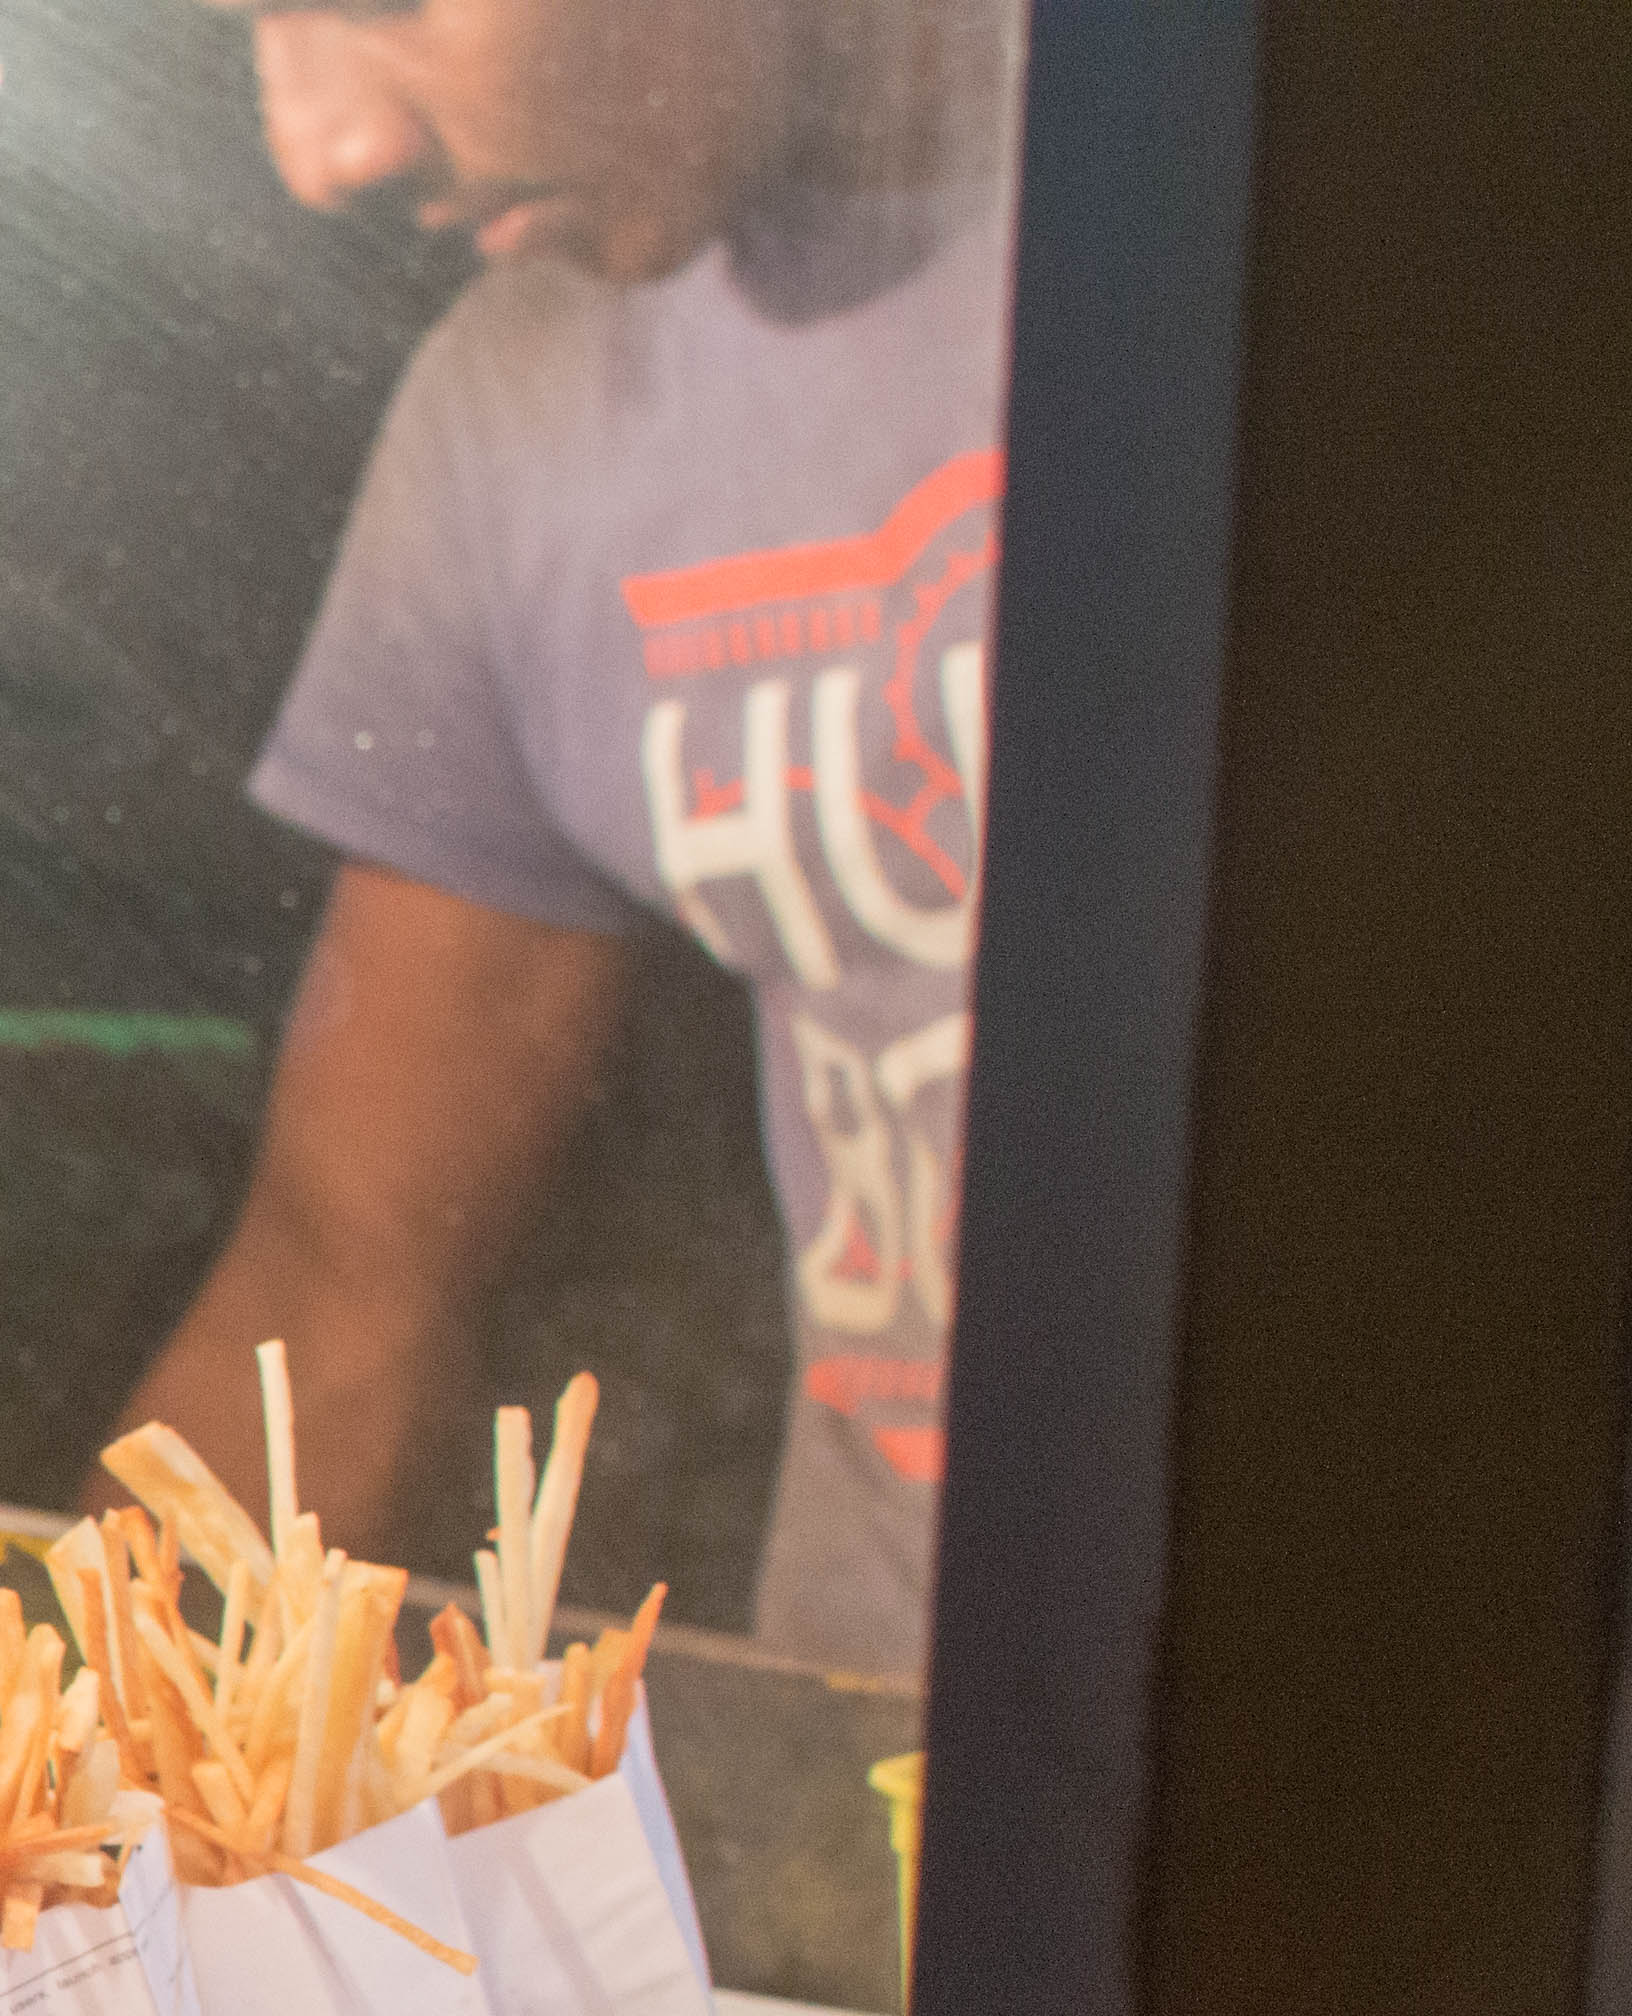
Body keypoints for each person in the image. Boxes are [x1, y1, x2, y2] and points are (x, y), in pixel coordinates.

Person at [101, 0, 1013, 1672]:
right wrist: (15, 1766)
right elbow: (343, 1278)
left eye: (376, 1)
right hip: (881, 1753)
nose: (323, 149)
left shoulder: (1280, 208)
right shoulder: (518, 408)